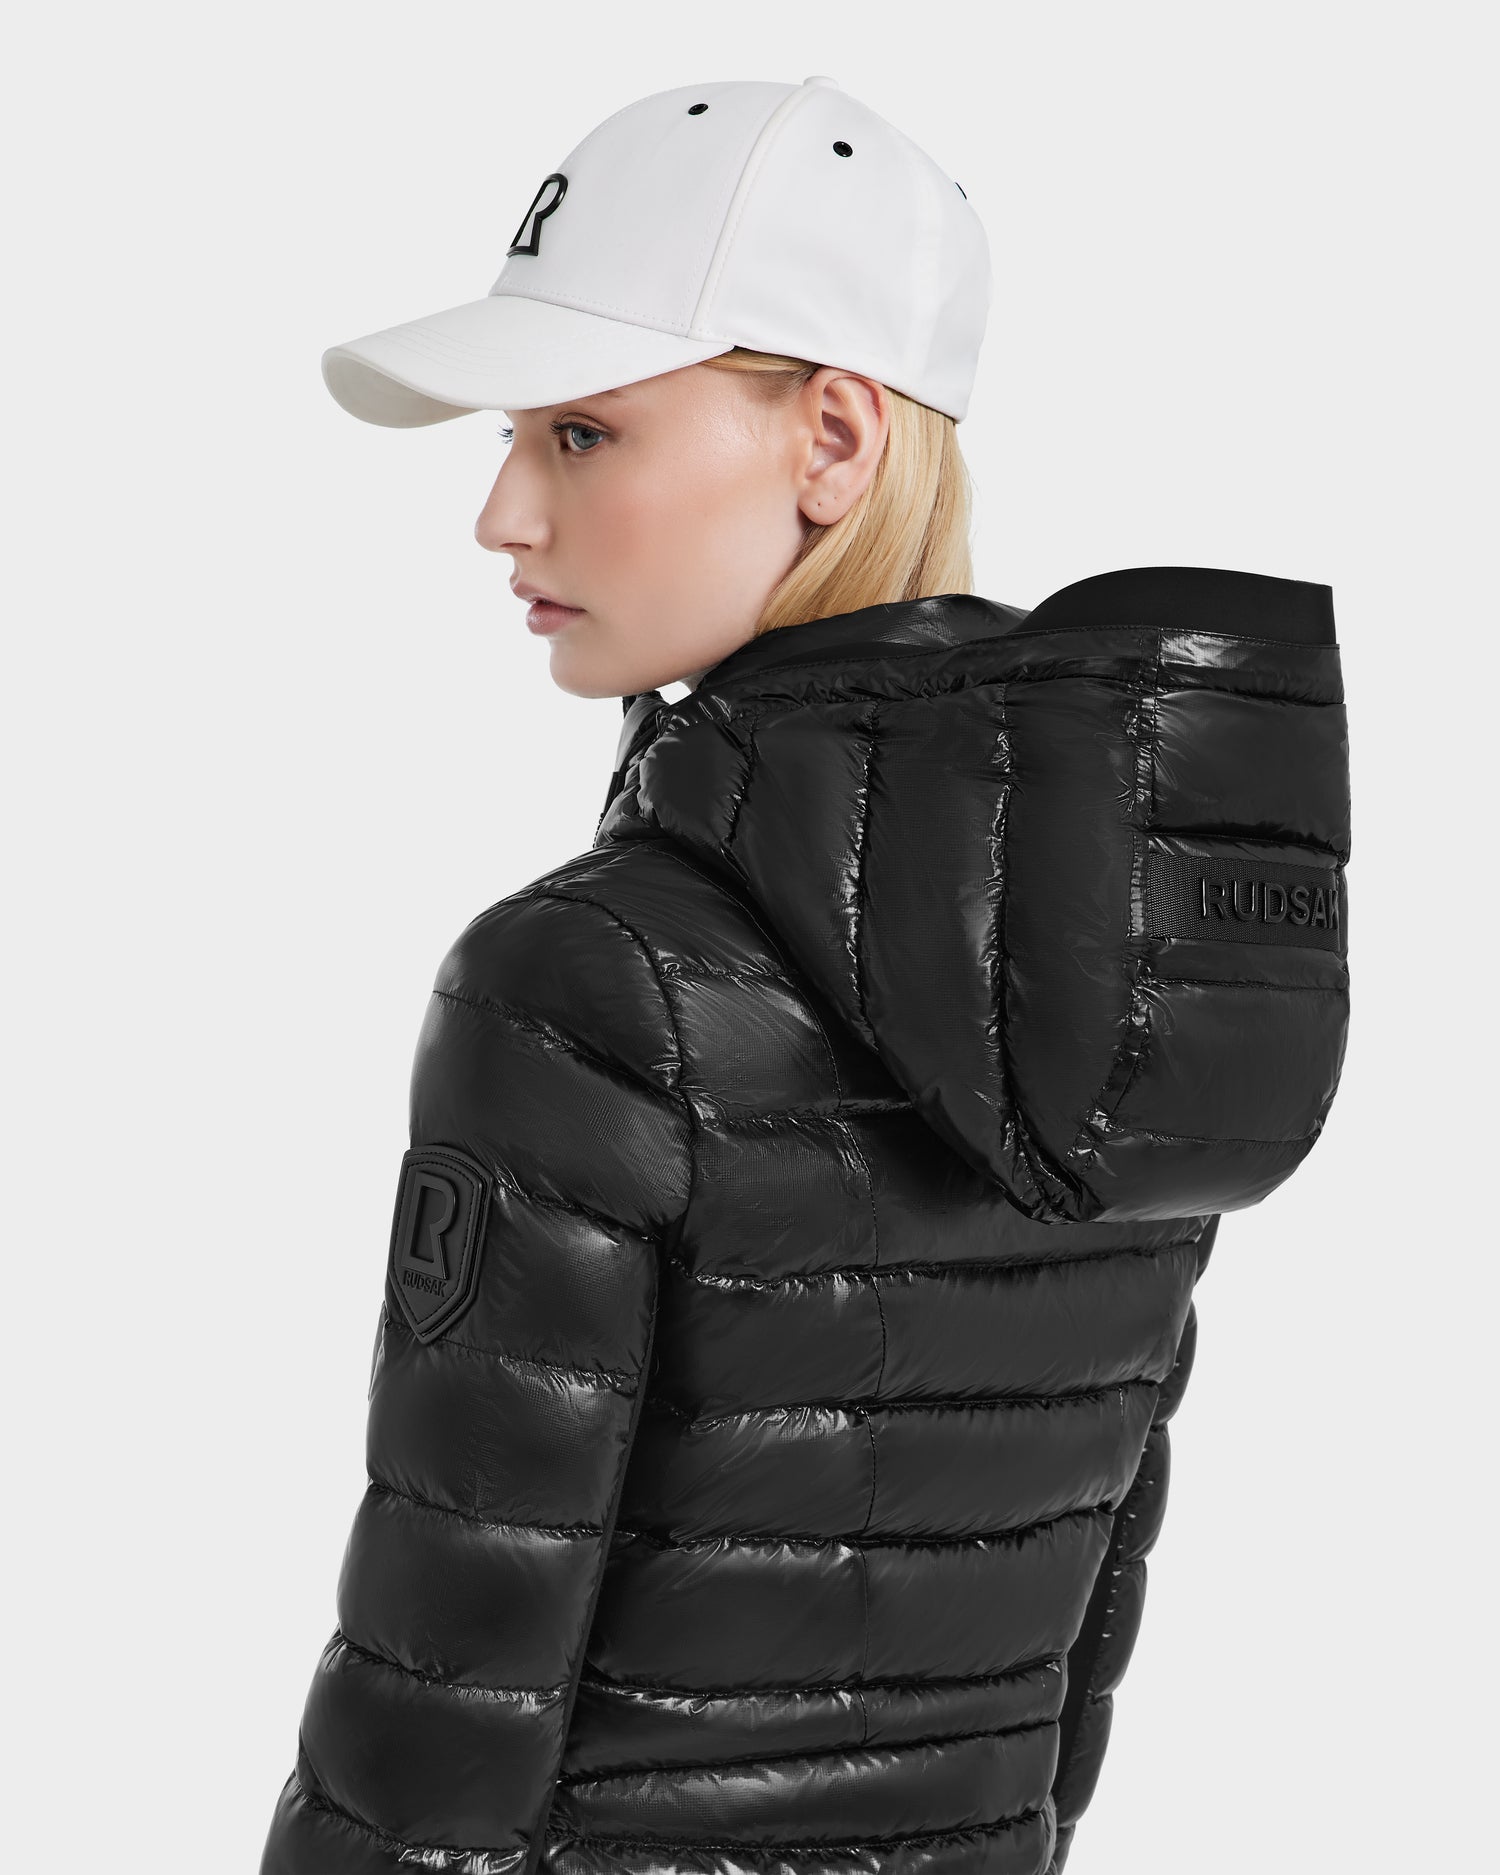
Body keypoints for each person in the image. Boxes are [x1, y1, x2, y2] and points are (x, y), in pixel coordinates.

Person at [260, 76, 1351, 1875]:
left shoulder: (581, 983)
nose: (502, 515)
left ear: (832, 439)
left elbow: (445, 1682)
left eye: (582, 433)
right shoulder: (1136, 940)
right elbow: (1083, 1633)